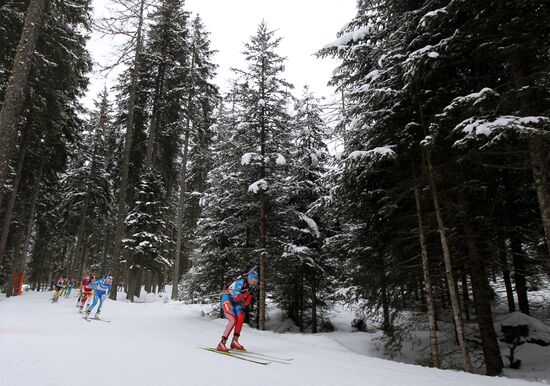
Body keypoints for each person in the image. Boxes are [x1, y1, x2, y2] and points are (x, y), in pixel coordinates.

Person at [217, 269, 258, 352]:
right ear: (250, 278)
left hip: (235, 302)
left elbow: (246, 303)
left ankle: (234, 341)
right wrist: (246, 294)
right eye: (253, 281)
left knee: (240, 318)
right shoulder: (240, 282)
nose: (254, 283)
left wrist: (250, 295)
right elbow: (235, 298)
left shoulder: (250, 287)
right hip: (227, 298)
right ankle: (222, 343)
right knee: (232, 319)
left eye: (256, 281)